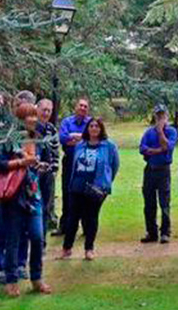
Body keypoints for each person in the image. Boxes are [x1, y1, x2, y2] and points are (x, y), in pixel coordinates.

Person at [0, 103, 52, 297]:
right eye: (29, 116)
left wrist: (41, 166)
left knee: (37, 236)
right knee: (13, 239)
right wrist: (21, 162)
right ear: (20, 119)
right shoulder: (9, 139)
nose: (33, 119)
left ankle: (37, 278)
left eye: (35, 116)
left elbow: (47, 161)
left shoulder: (39, 139)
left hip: (34, 195)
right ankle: (11, 280)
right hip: (14, 196)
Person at [59, 117, 119, 260]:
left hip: (95, 188)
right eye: (91, 126)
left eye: (96, 126)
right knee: (72, 218)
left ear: (101, 129)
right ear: (87, 129)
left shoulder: (109, 146)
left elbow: (114, 165)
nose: (93, 128)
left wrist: (106, 183)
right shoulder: (80, 145)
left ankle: (89, 249)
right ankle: (67, 248)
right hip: (77, 186)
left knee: (91, 218)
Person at [139, 104, 177, 244]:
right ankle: (151, 232)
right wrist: (158, 150)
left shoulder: (171, 131)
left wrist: (161, 132)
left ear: (167, 116)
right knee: (149, 203)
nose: (160, 118)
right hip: (150, 169)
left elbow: (167, 146)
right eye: (158, 115)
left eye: (163, 115)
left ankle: (165, 232)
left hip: (163, 170)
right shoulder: (148, 133)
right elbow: (142, 148)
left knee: (164, 203)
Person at [57, 98, 93, 234]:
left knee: (85, 193)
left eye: (85, 106)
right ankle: (64, 226)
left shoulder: (90, 123)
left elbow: (92, 139)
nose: (83, 108)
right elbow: (63, 138)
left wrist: (74, 138)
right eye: (81, 105)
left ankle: (86, 226)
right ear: (75, 107)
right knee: (67, 192)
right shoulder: (67, 122)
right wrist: (81, 138)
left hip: (85, 163)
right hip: (69, 162)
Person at [37, 97, 61, 233]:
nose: (46, 113)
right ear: (37, 109)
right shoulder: (32, 127)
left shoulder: (51, 129)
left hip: (48, 173)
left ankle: (44, 230)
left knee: (47, 203)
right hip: (34, 173)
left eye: (49, 111)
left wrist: (54, 169)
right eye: (44, 110)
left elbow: (55, 150)